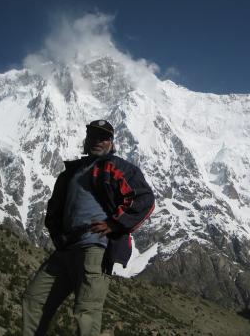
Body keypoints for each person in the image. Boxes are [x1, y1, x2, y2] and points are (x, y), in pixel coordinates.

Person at [22, 120, 155, 336]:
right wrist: (57, 234)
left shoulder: (115, 166)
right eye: (93, 136)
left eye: (103, 137)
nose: (97, 141)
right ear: (86, 139)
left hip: (94, 248)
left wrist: (115, 223)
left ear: (111, 142)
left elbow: (144, 199)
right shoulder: (71, 173)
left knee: (86, 313)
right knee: (34, 299)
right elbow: (55, 208)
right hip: (66, 249)